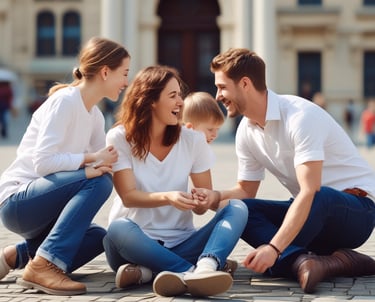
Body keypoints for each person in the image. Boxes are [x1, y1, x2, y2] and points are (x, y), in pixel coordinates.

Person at [192, 48, 375, 294]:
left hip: (356, 211)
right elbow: (246, 191)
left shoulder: (300, 116)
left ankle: (290, 258)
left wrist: (274, 248)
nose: (218, 96)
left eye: (222, 87)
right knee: (239, 210)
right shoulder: (246, 131)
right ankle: (308, 262)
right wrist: (216, 198)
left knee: (317, 194)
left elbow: (310, 191)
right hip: (311, 214)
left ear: (245, 83)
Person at [103, 65, 248, 297]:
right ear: (150, 100)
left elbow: (203, 205)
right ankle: (189, 271)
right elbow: (128, 197)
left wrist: (201, 200)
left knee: (237, 207)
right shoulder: (120, 137)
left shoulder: (192, 141)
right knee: (117, 228)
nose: (181, 102)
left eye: (180, 95)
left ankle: (203, 266)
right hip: (132, 245)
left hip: (183, 241)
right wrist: (168, 197)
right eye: (173, 96)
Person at [0, 36, 130, 295]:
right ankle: (45, 265)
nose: (126, 82)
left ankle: (14, 257)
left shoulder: (93, 115)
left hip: (47, 205)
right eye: (124, 73)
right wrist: (89, 161)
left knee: (97, 238)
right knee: (97, 181)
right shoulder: (65, 101)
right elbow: (43, 162)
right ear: (105, 71)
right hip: (17, 202)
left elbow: (104, 162)